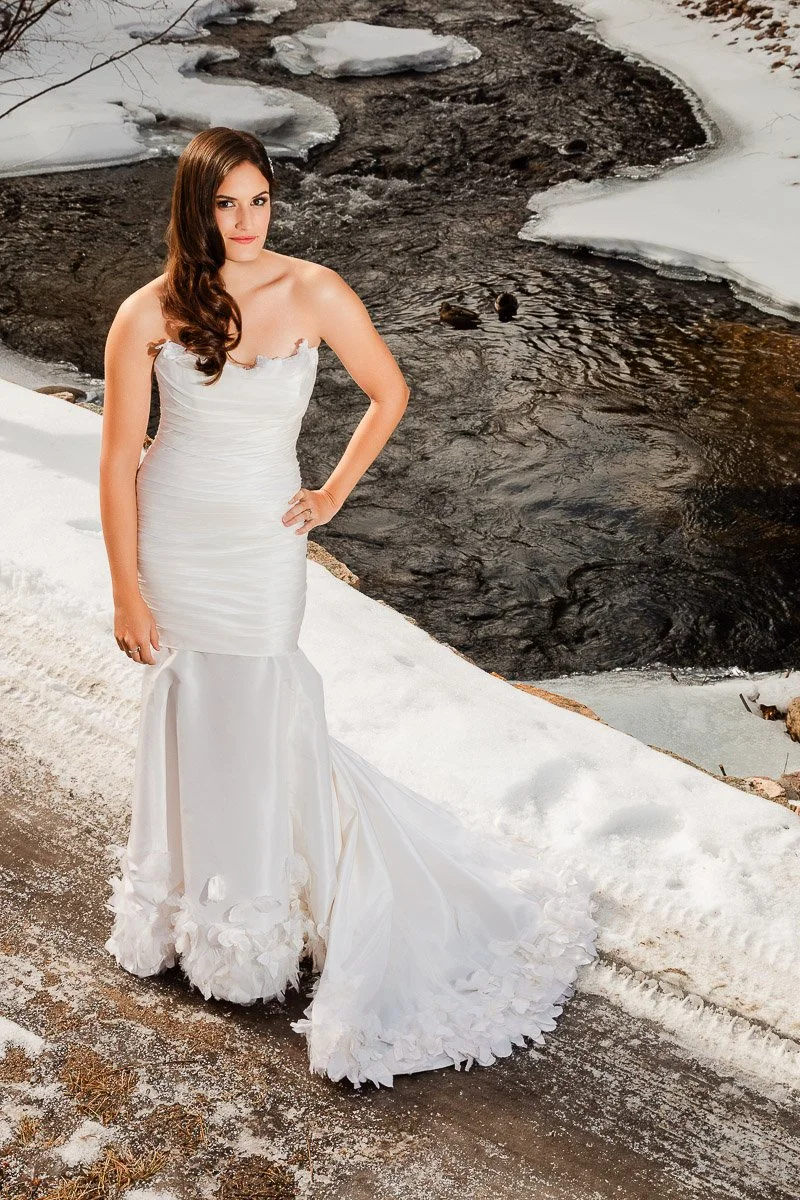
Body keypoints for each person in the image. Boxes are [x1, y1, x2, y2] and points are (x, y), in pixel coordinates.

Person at [98, 126, 599, 1090]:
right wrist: (124, 584)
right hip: (174, 540)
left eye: (259, 200)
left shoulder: (314, 290)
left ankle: (259, 918)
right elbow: (119, 459)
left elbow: (389, 391)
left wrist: (329, 496)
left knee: (263, 707)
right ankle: (187, 913)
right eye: (225, 203)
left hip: (260, 546)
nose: (245, 222)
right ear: (194, 209)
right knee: (193, 710)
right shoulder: (147, 312)